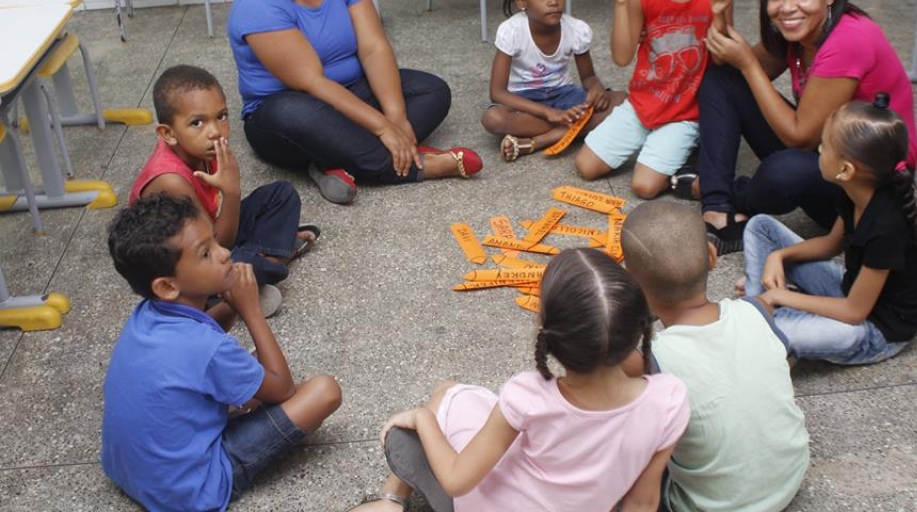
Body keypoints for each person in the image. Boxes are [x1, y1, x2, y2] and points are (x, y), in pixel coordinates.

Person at [346, 248, 690, 511]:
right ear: (638, 328)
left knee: (447, 394)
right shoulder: (670, 401)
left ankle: (390, 499)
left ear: (548, 333)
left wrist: (422, 417)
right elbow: (642, 502)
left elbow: (456, 481)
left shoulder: (529, 396)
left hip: (490, 502)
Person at [227, 0, 481, 206]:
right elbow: (312, 82)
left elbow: (374, 48)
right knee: (294, 113)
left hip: (351, 92)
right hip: (287, 112)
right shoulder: (258, 2)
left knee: (432, 90)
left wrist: (396, 117)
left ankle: (333, 161)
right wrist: (381, 127)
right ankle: (418, 166)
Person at [102, 194, 342, 511]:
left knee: (247, 370)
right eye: (206, 253)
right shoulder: (207, 347)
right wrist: (251, 310)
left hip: (129, 471)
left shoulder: (146, 315)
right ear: (167, 286)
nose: (225, 253)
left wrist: (232, 303)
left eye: (215, 241)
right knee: (324, 391)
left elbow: (201, 341)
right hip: (191, 491)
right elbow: (282, 389)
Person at [695, 0, 917, 254]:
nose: (787, 7)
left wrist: (747, 63)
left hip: (866, 180)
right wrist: (721, 15)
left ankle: (732, 191)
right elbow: (729, 75)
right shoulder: (796, 32)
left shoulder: (850, 39)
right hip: (827, 148)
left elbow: (799, 137)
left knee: (783, 172)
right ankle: (718, 209)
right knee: (720, 79)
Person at [621, 201, 809, 512]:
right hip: (789, 479)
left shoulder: (652, 359)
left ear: (633, 285)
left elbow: (605, 359)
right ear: (712, 256)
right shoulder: (757, 312)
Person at [740, 95, 917, 365]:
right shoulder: (855, 191)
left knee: (833, 333)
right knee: (760, 226)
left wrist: (780, 295)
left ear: (845, 169)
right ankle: (766, 313)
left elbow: (854, 312)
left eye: (824, 146)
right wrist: (778, 256)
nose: (819, 151)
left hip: (872, 330)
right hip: (849, 291)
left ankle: (766, 314)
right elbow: (831, 244)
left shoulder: (888, 227)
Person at [130, 65, 318, 317]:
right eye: (197, 122)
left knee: (281, 194)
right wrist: (232, 192)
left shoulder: (204, 148)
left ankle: (260, 266)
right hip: (185, 264)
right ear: (168, 133)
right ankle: (263, 266)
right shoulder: (171, 180)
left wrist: (230, 195)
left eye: (221, 116)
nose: (215, 131)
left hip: (208, 236)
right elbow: (217, 245)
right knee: (236, 259)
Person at [575, 0, 727, 199]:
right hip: (643, 102)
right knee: (586, 166)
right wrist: (621, 4)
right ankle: (660, 146)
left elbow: (724, 60)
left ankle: (689, 148)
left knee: (643, 187)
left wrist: (720, 13)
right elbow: (621, 57)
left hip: (685, 112)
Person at [481, 0, 625, 160]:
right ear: (522, 1)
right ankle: (574, 127)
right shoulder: (512, 31)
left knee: (623, 102)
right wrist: (548, 113)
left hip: (563, 95)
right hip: (524, 99)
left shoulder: (576, 29)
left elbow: (588, 78)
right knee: (493, 119)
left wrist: (597, 89)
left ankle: (538, 141)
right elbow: (497, 92)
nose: (554, 1)